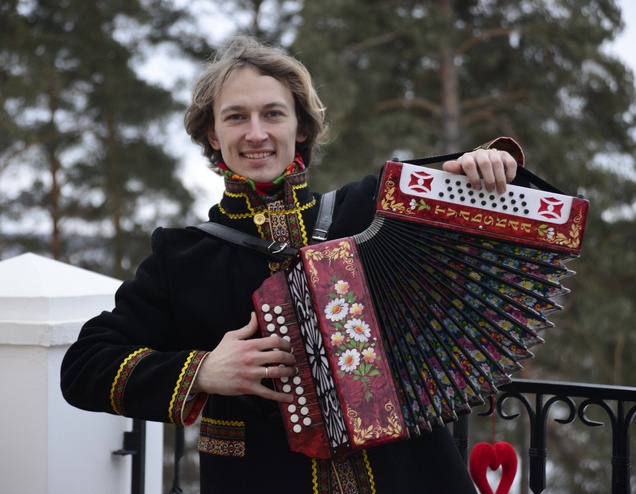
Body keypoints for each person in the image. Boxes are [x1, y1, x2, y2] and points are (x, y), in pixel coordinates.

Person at [61, 36, 525, 494]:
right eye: (236, 117)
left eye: (273, 114)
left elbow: (498, 211)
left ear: (300, 127)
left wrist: (486, 166)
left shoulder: (371, 209)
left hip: (406, 474)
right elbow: (83, 367)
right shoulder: (182, 256)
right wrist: (203, 370)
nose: (256, 133)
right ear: (212, 134)